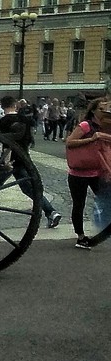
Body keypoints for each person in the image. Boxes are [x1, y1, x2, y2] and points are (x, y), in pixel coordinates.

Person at [0, 95, 61, 229]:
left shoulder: (5, 120)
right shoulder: (25, 120)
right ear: (15, 105)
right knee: (28, 189)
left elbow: (8, 143)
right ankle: (51, 211)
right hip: (23, 158)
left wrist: (6, 162)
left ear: (2, 106)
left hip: (11, 159)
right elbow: (27, 140)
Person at [63, 96, 111, 249]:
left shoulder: (106, 126)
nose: (105, 112)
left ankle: (99, 236)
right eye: (102, 109)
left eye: (107, 109)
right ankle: (81, 237)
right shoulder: (85, 125)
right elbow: (69, 142)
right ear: (94, 111)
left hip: (98, 172)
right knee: (79, 204)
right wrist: (91, 139)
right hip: (79, 173)